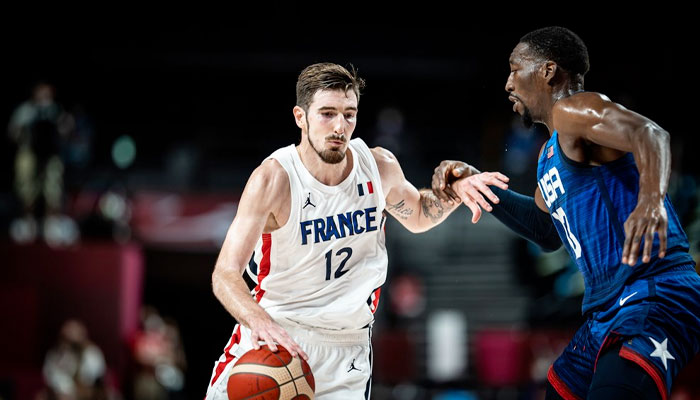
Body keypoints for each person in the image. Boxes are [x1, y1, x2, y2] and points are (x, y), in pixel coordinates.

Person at [204, 62, 507, 399]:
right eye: (327, 114)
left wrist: (453, 194)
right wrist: (257, 320)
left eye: (349, 114)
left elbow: (419, 214)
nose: (339, 126)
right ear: (300, 117)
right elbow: (225, 274)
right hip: (279, 333)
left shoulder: (378, 166)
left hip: (347, 348)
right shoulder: (273, 179)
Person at [432, 27, 700, 400]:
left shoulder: (574, 110)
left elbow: (651, 134)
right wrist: (478, 185)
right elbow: (545, 230)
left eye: (514, 69)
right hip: (608, 310)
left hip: (654, 290)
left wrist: (651, 200)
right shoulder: (548, 157)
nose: (508, 83)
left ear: (547, 71)